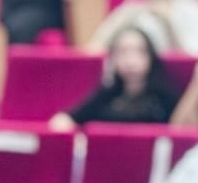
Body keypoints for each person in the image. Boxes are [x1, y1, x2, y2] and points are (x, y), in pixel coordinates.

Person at [50, 27, 180, 129]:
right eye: (123, 52)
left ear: (151, 56)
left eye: (139, 51)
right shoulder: (105, 96)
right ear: (113, 59)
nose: (131, 60)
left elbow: (183, 127)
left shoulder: (164, 98)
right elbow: (63, 120)